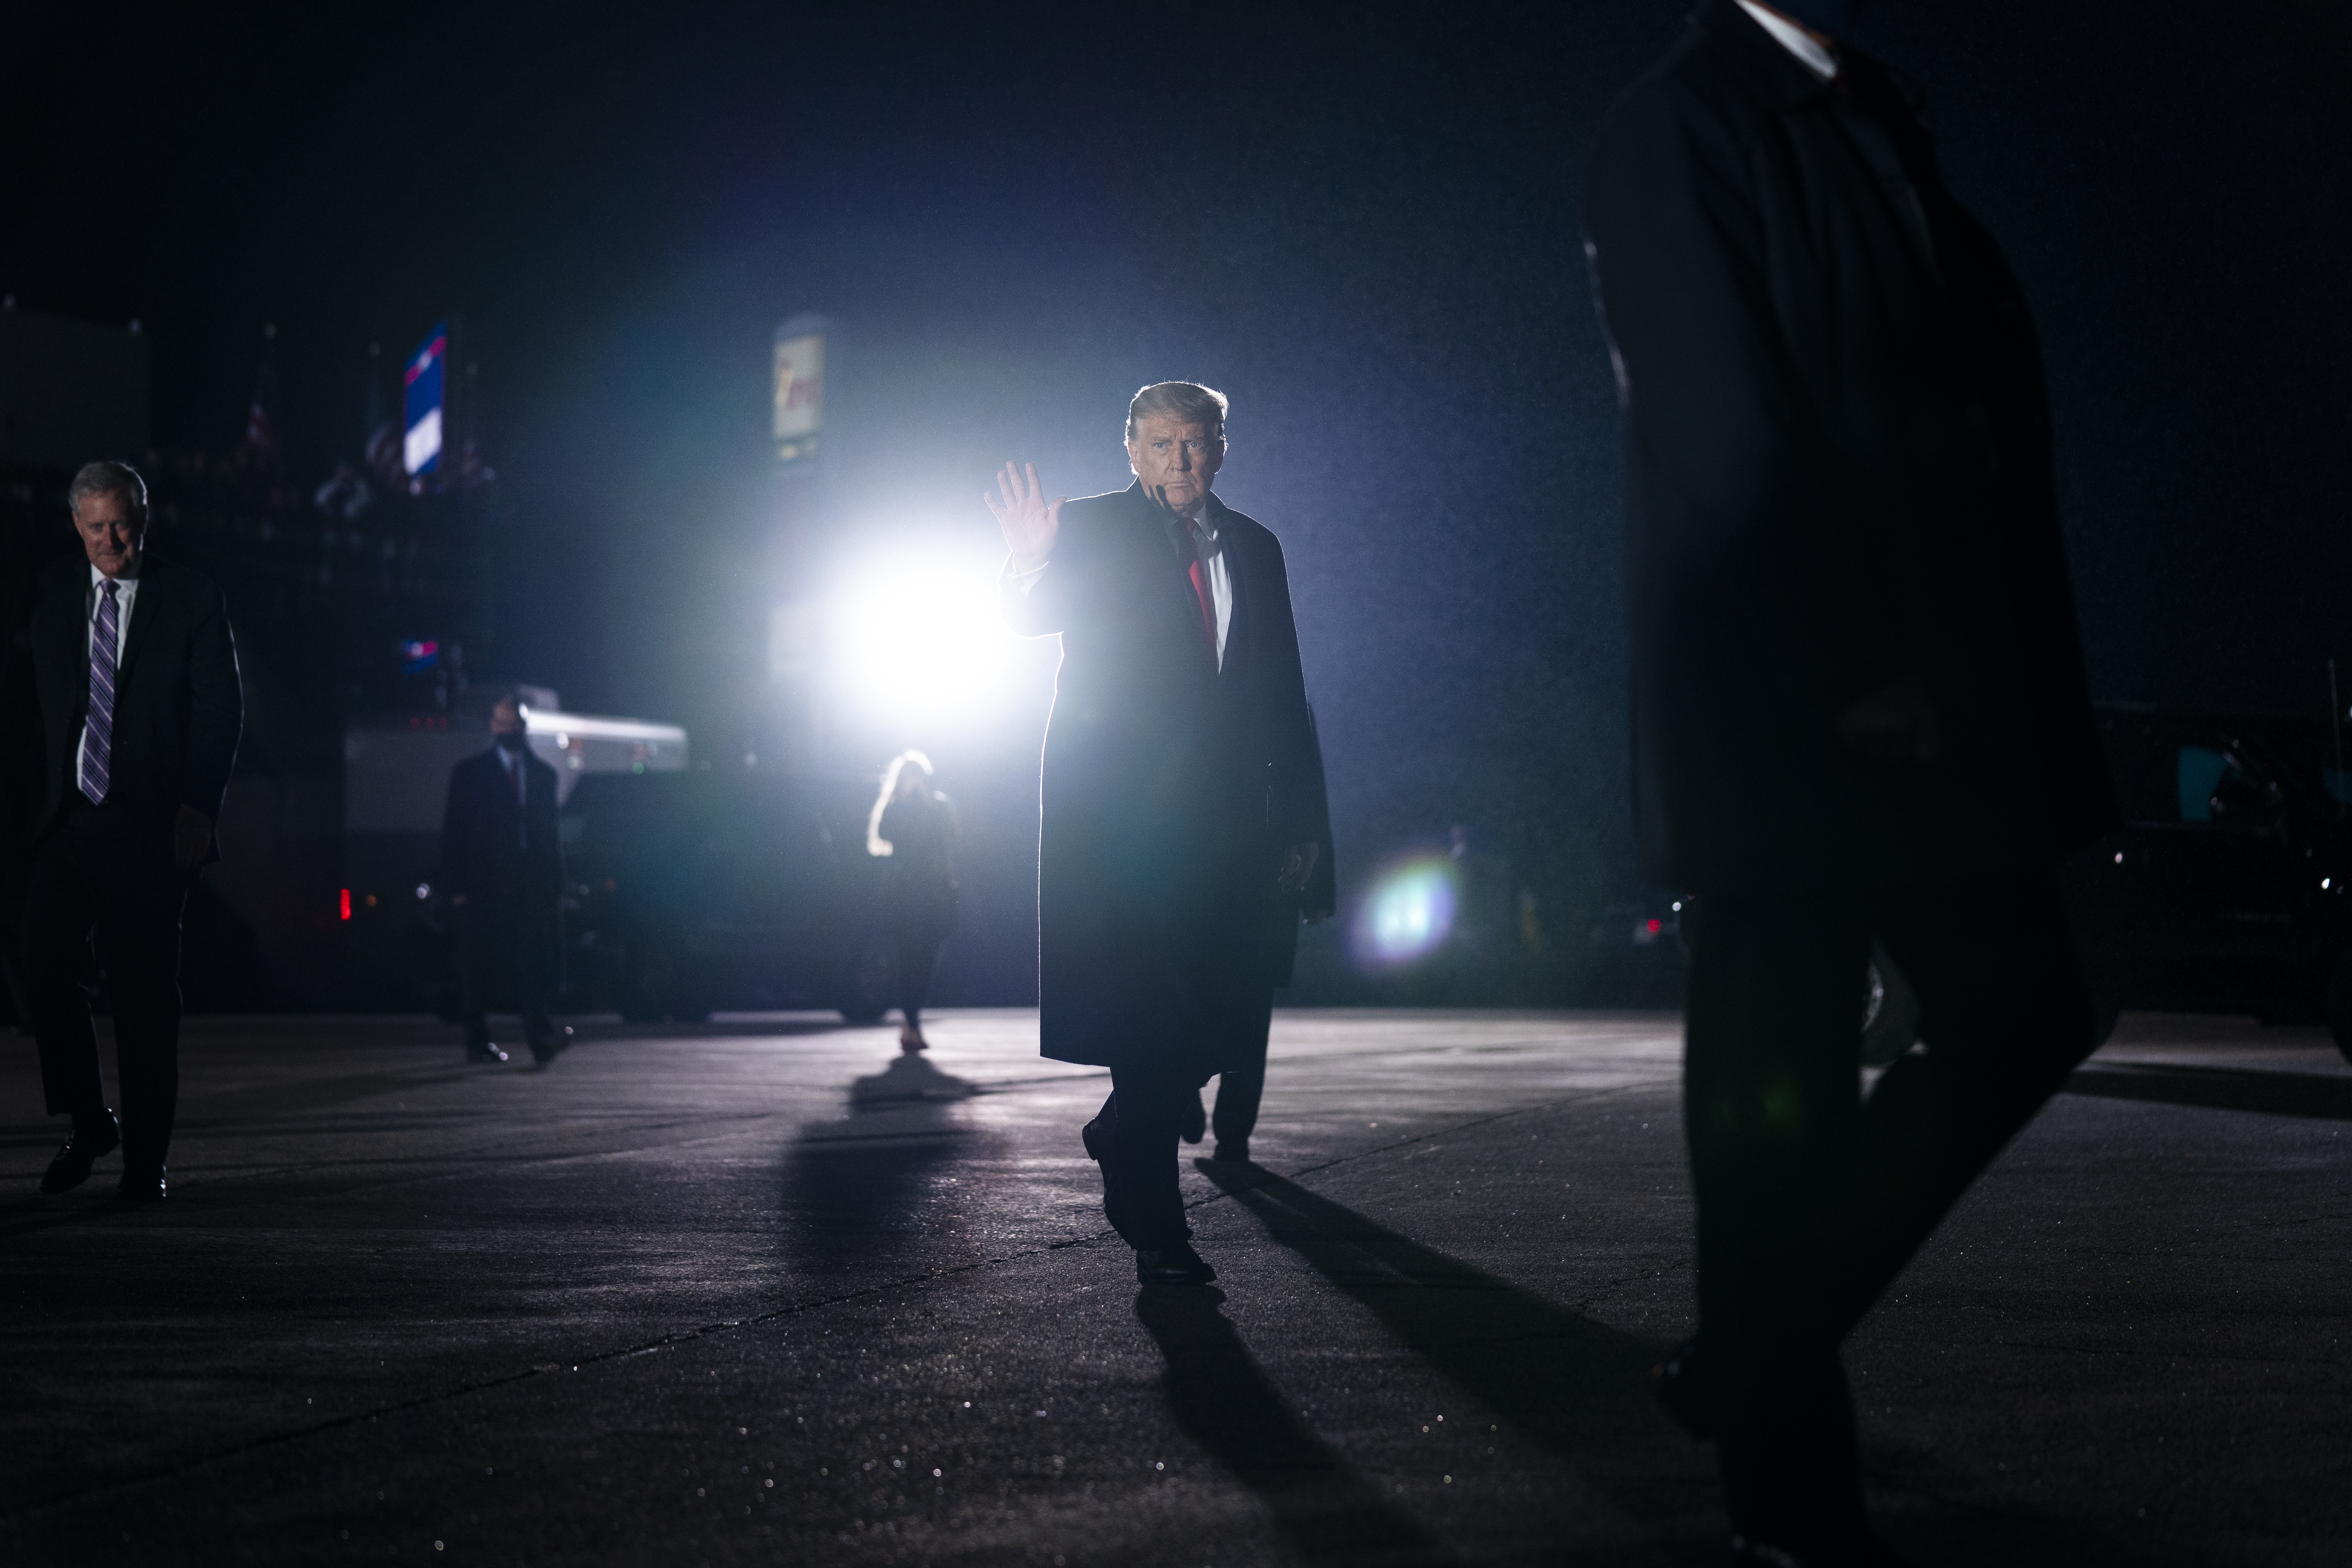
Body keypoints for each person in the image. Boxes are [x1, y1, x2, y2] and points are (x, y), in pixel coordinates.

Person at [1584, 4, 2117, 1564]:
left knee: (2027, 1010)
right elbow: (1711, 411)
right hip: (1789, 703)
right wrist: (1841, 655)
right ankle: (1792, 1506)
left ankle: (1751, 1360)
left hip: (1921, 688)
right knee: (1775, 1109)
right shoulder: (1683, 122)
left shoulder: (1865, 106)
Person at [990, 381, 1330, 1287]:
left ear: (1222, 448)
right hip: (1123, 832)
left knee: (1213, 1026)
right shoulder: (1095, 527)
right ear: (1133, 452)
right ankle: (1161, 1238)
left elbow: (1282, 693)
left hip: (1226, 833)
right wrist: (1027, 561)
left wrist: (1298, 819)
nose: (1182, 461)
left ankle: (1119, 1128)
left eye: (1198, 442)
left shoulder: (1256, 547)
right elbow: (1030, 614)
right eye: (1164, 444)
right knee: (1149, 1030)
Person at [21, 461, 243, 1201]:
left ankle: (145, 1163)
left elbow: (220, 711)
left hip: (149, 830)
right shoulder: (50, 592)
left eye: (120, 524)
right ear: (76, 526)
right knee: (42, 966)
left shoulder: (191, 599)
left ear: (143, 519)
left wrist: (197, 805)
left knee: (146, 1000)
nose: (110, 540)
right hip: (67, 822)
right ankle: (89, 1120)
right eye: (94, 527)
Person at [439, 693, 564, 1065]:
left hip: (527, 884)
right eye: (503, 723)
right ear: (493, 727)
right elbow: (454, 832)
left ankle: (540, 1040)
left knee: (531, 964)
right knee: (476, 968)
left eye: (515, 724)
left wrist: (554, 884)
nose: (509, 730)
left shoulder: (543, 775)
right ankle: (478, 1041)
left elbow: (550, 836)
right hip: (482, 885)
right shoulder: (470, 774)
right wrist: (457, 888)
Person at [866, 749, 960, 1053]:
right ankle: (912, 1024)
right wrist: (905, 804)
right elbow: (883, 836)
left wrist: (927, 805)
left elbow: (950, 838)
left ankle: (911, 1023)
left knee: (926, 963)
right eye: (909, 777)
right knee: (904, 961)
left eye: (919, 776)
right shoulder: (895, 807)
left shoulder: (940, 806)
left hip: (932, 894)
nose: (915, 782)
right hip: (903, 897)